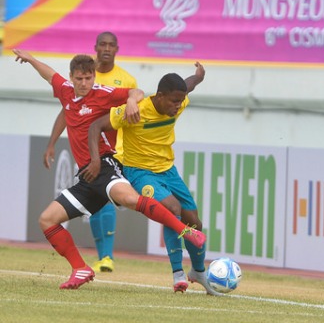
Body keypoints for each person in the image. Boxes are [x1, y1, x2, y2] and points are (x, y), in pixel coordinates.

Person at [13, 49, 206, 290]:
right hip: (87, 175)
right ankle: (80, 268)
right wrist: (31, 59)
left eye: (89, 78)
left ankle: (185, 231)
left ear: (94, 77)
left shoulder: (103, 94)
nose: (84, 83)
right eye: (80, 79)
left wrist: (132, 102)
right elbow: (49, 73)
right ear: (71, 78)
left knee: (131, 199)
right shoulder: (65, 92)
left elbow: (136, 92)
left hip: (104, 164)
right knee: (47, 220)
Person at [88, 63, 221, 296]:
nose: (178, 105)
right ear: (159, 96)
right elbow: (95, 126)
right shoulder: (135, 111)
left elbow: (188, 85)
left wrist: (199, 77)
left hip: (168, 171)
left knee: (194, 222)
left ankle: (198, 272)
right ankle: (178, 273)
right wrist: (95, 160)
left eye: (180, 101)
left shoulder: (178, 102)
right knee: (172, 208)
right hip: (139, 172)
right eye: (173, 101)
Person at [43, 32, 136, 274]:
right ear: (95, 48)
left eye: (110, 45)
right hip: (89, 154)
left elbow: (136, 105)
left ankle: (106, 256)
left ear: (117, 48)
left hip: (117, 152)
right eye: (102, 44)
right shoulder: (79, 80)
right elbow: (67, 110)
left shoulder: (125, 79)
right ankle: (104, 257)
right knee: (97, 204)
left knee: (116, 199)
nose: (106, 48)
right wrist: (52, 142)